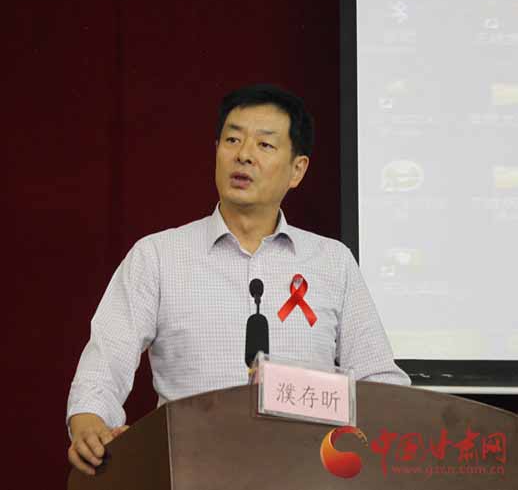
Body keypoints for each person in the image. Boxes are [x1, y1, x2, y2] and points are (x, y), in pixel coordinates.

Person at [67, 83, 410, 475]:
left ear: (297, 170)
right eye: (232, 140)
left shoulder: (332, 262)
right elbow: (106, 358)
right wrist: (89, 419)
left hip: (308, 474)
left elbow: (381, 383)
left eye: (264, 144)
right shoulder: (158, 256)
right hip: (192, 470)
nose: (243, 154)